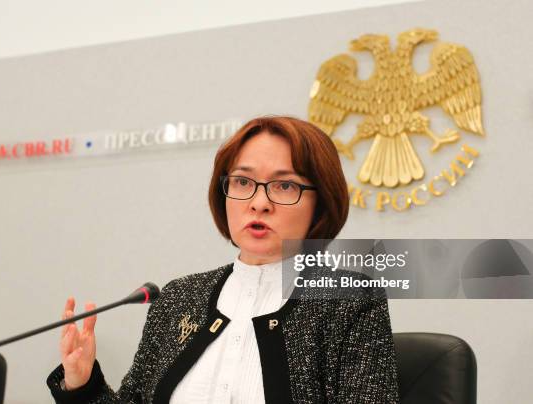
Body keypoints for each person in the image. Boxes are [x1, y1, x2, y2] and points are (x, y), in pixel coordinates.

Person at [46, 116, 400, 403]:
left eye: (285, 185)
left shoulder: (348, 298)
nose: (259, 203)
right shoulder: (178, 298)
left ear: (320, 202)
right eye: (243, 182)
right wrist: (84, 384)